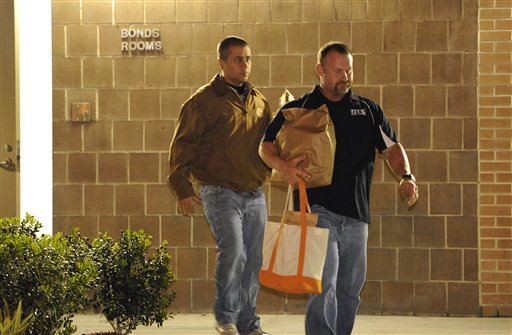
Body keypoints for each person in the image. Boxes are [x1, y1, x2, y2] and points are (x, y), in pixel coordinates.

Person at [259, 41, 419, 335]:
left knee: (349, 291)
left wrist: (406, 176)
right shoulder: (298, 109)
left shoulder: (368, 110)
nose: (345, 76)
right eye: (337, 70)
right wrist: (282, 166)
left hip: (357, 217)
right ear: (320, 70)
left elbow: (392, 148)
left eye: (349, 70)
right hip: (318, 212)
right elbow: (265, 145)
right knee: (324, 284)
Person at [168, 36, 271, 335]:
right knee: (234, 250)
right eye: (238, 59)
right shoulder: (202, 101)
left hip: (254, 192)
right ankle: (226, 318)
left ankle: (248, 323)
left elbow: (272, 145)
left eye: (248, 58)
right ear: (221, 63)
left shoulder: (259, 101)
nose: (245, 64)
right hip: (219, 191)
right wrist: (183, 189)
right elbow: (181, 147)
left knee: (253, 260)